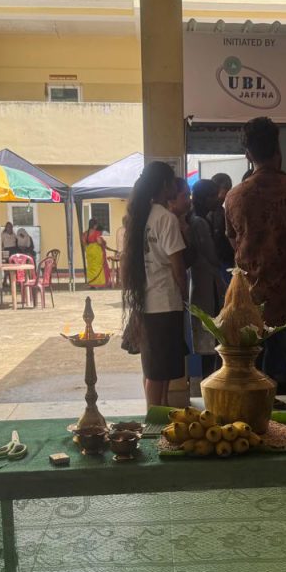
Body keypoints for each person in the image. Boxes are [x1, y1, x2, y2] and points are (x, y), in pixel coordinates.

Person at [224, 116, 286, 409]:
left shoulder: (234, 196)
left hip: (250, 302)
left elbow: (233, 241)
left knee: (250, 374)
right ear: (277, 149)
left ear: (248, 154)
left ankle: (252, 427)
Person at [121, 161, 190, 407]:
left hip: (145, 299)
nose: (175, 188)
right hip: (165, 301)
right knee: (158, 372)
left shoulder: (139, 216)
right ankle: (154, 416)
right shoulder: (166, 218)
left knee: (155, 368)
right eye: (172, 183)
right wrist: (184, 294)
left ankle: (160, 410)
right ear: (164, 185)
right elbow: (178, 266)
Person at [186, 179, 227, 377]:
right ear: (205, 198)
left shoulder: (196, 218)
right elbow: (211, 254)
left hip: (201, 282)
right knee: (211, 337)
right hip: (207, 283)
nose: (217, 199)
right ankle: (211, 381)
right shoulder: (200, 222)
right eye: (213, 195)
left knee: (208, 338)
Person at [208, 172, 236, 278]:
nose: (225, 197)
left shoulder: (223, 212)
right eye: (225, 191)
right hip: (218, 262)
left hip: (225, 262)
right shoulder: (213, 213)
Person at [82, 218, 112, 288]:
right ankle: (98, 283)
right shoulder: (96, 233)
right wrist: (103, 243)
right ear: (95, 225)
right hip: (97, 252)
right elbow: (99, 241)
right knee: (99, 267)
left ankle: (92, 283)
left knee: (91, 267)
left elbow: (84, 243)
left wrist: (89, 248)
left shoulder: (85, 233)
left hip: (89, 252)